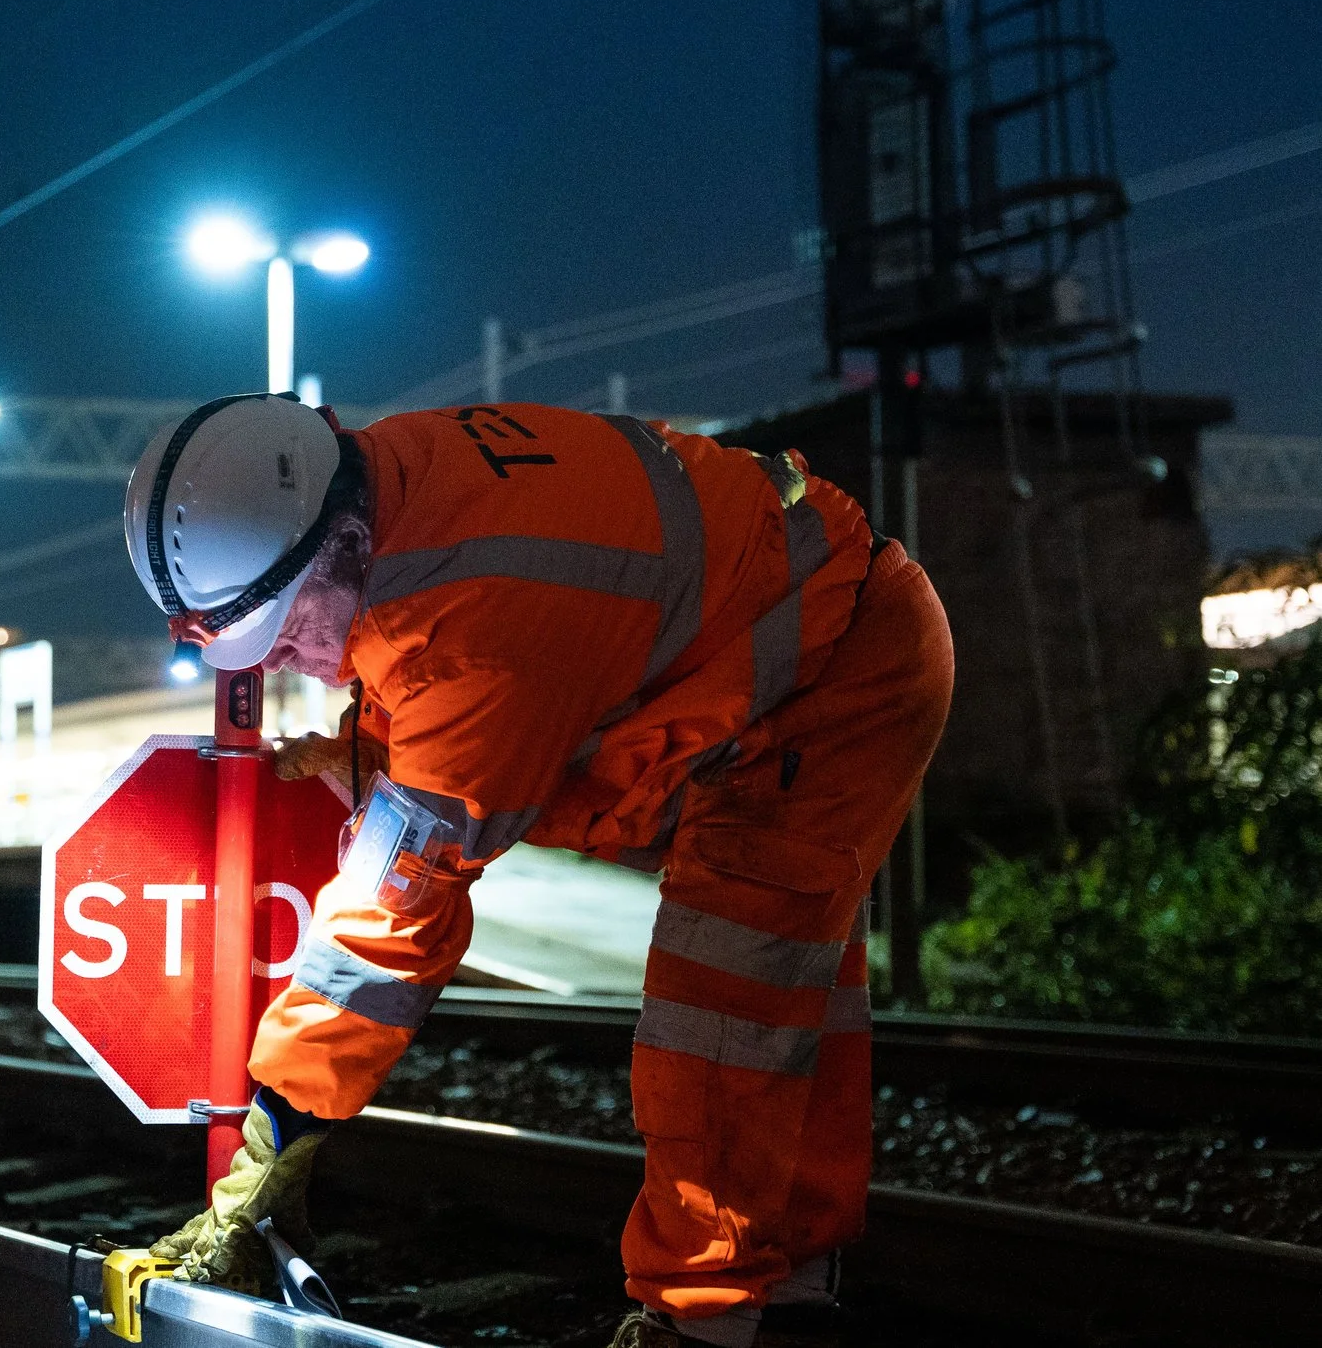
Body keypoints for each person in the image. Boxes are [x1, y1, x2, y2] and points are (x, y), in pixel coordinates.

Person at [124, 393, 953, 1348]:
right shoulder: (397, 481)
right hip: (780, 640)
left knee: (721, 1012)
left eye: (292, 633)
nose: (298, 664)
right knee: (781, 1000)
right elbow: (441, 652)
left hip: (831, 679)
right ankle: (793, 1298)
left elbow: (391, 928)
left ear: (346, 541)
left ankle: (704, 1323)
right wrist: (377, 752)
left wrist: (266, 1155)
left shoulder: (474, 628)